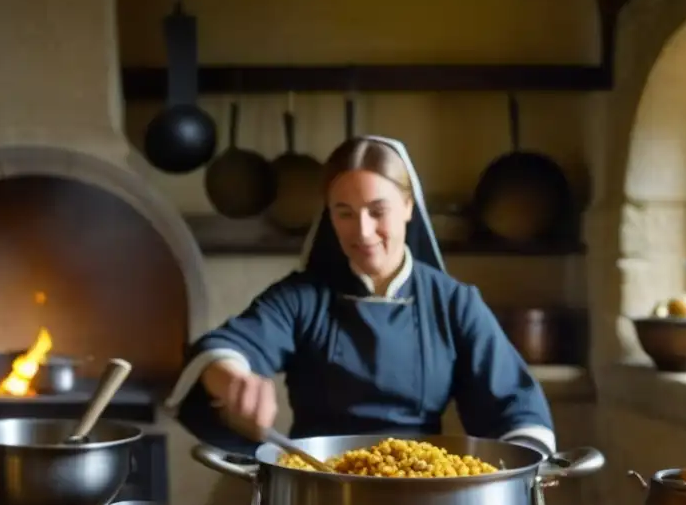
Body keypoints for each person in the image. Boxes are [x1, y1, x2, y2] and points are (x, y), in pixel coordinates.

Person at [165, 135, 555, 457]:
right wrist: (233, 380)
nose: (363, 231)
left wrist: (528, 456)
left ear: (407, 207)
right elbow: (226, 346)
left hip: (424, 486)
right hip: (317, 482)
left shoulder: (453, 303)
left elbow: (511, 403)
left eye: (377, 210)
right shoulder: (303, 296)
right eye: (344, 212)